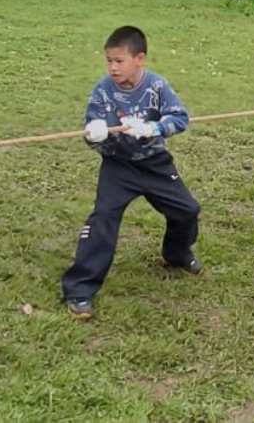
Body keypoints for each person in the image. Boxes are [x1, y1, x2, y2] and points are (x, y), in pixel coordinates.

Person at [61, 26, 197, 320]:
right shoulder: (103, 89)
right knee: (103, 219)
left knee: (187, 210)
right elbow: (91, 129)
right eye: (109, 60)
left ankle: (176, 254)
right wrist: (94, 133)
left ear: (139, 59)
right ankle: (79, 290)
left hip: (155, 164)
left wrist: (154, 127)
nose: (112, 67)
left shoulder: (157, 86)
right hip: (118, 166)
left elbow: (180, 118)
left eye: (119, 61)